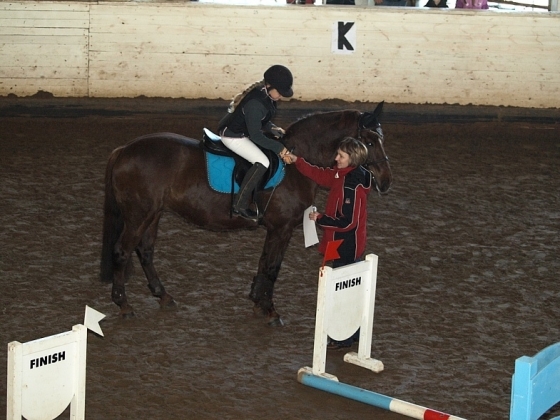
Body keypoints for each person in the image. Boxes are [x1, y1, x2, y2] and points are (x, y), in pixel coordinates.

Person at [284, 137, 372, 349]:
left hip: (346, 244)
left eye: (341, 156)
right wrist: (298, 161)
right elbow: (322, 175)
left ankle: (342, 338)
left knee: (342, 291)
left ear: (352, 158)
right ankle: (353, 335)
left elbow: (349, 222)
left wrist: (322, 219)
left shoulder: (350, 185)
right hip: (342, 242)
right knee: (347, 289)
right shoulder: (345, 175)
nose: (336, 158)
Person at [218, 65, 293, 221]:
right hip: (233, 136)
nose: (280, 96)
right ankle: (239, 204)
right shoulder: (256, 103)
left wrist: (273, 129)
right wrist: (281, 149)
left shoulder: (267, 95)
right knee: (262, 161)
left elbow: (261, 121)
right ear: (268, 86)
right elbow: (256, 136)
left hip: (243, 131)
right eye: (279, 92)